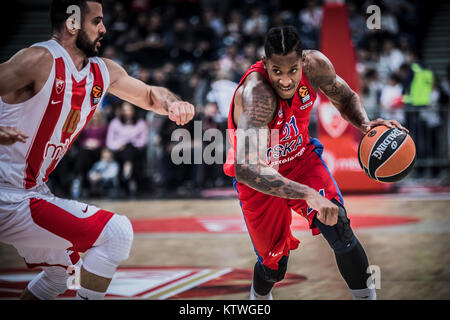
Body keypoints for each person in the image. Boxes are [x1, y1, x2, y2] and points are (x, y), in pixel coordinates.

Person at [0, 0, 194, 300]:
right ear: (72, 24)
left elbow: (151, 95)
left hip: (30, 191)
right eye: (96, 21)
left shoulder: (103, 71)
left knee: (62, 274)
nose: (104, 29)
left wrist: (172, 104)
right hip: (7, 194)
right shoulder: (39, 60)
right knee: (117, 233)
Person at [223, 26, 408, 300]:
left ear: (303, 62)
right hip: (260, 178)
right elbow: (248, 168)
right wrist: (309, 195)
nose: (285, 80)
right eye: (277, 71)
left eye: (292, 70)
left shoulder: (317, 65)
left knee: (340, 227)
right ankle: (258, 299)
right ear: (265, 65)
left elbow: (345, 97)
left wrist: (365, 124)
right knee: (274, 266)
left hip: (301, 161)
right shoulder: (256, 95)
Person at [106, 101, 149, 196]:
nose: (127, 112)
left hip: (135, 150)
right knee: (127, 149)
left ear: (133, 110)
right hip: (119, 151)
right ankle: (128, 170)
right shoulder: (115, 123)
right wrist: (121, 144)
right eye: (124, 110)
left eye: (129, 109)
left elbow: (143, 141)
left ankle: (127, 168)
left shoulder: (141, 123)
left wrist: (129, 143)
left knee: (129, 147)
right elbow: (109, 142)